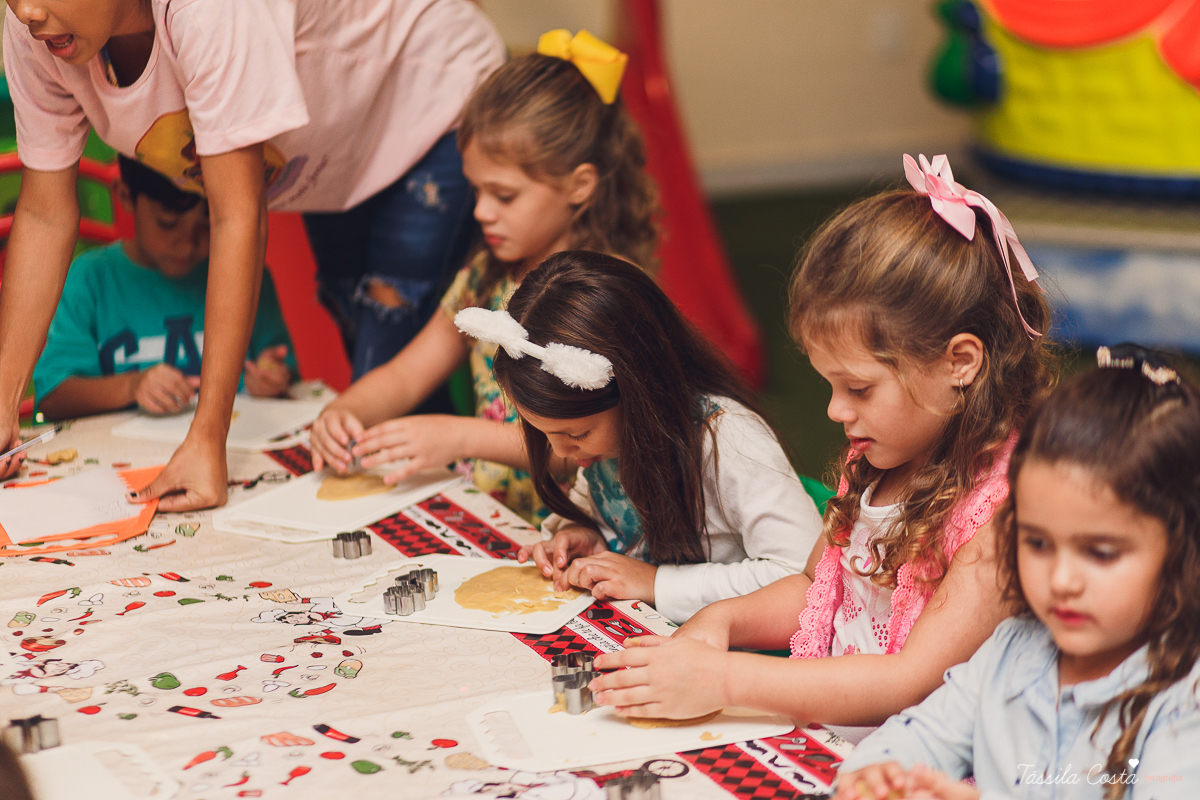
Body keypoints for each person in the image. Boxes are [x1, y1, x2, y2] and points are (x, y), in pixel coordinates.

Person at [587, 154, 1057, 737]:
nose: (835, 411)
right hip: (828, 740)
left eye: (858, 387)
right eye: (830, 385)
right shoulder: (880, 459)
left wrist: (725, 680)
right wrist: (722, 621)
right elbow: (817, 590)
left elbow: (906, 681)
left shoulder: (1000, 514)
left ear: (959, 362)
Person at [0, 0, 504, 510]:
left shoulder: (211, 11)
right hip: (335, 159)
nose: (26, 12)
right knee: (367, 345)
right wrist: (1, 406)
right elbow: (44, 214)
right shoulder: (35, 37)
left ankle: (462, 526)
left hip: (429, 101)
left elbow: (235, 215)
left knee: (385, 354)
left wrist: (206, 438)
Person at [309, 32, 659, 523]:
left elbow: (579, 445)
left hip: (582, 529)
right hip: (493, 518)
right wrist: (346, 411)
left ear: (579, 186)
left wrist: (461, 436)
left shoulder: (605, 293)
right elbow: (408, 372)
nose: (481, 212)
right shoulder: (484, 275)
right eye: (475, 191)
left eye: (504, 195)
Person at [836, 345, 1200, 800]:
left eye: (1102, 553)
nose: (1062, 580)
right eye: (1039, 543)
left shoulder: (1185, 701)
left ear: (1184, 549)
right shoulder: (1010, 652)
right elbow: (917, 736)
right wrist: (879, 777)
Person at [456, 251, 822, 623]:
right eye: (542, 432)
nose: (560, 450)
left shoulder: (728, 440)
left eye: (576, 433)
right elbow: (608, 505)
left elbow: (804, 577)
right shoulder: (606, 440)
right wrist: (583, 529)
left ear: (641, 393)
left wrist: (657, 583)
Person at [33, 156, 296, 420]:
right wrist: (131, 386)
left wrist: (269, 378)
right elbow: (53, 398)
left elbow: (288, 377)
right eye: (167, 223)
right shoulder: (91, 279)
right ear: (125, 196)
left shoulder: (248, 277)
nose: (187, 245)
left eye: (210, 223)